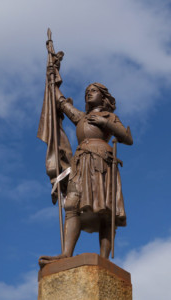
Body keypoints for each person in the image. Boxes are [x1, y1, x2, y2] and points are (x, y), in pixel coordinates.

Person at [39, 82, 132, 265]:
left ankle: (104, 259)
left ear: (103, 96)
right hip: (81, 164)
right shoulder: (81, 117)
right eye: (87, 92)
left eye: (93, 91)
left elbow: (127, 138)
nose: (89, 94)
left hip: (102, 163)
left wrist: (105, 123)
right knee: (71, 204)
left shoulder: (109, 116)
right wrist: (52, 76)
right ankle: (66, 253)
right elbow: (62, 103)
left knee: (105, 209)